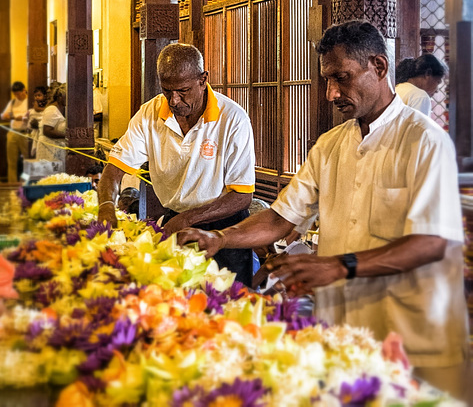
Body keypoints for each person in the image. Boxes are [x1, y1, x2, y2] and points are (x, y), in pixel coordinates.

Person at [178, 21, 468, 399]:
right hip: (345, 333)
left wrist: (338, 264)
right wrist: (220, 237)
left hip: (411, 336)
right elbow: (281, 218)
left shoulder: (425, 142)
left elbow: (431, 243)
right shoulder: (331, 146)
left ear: (378, 67)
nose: (331, 93)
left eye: (341, 78)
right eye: (327, 81)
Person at [98, 43, 256, 286]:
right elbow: (115, 168)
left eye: (183, 90)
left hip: (224, 229)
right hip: (176, 221)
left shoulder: (233, 119)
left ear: (203, 80)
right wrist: (106, 205)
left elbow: (242, 196)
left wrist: (189, 219)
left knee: (229, 302)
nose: (174, 100)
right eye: (166, 90)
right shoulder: (149, 114)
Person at [1, 81, 29, 183]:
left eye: (19, 93)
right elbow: (4, 115)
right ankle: (11, 184)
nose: (17, 96)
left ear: (24, 90)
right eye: (15, 94)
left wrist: (17, 117)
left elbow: (27, 117)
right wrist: (11, 116)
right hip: (12, 132)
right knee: (11, 161)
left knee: (27, 160)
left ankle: (25, 183)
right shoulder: (12, 102)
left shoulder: (29, 102)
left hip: (25, 133)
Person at [36, 84, 67, 171]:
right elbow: (47, 130)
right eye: (67, 96)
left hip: (57, 148)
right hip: (49, 148)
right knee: (49, 174)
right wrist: (66, 135)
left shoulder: (63, 108)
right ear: (60, 96)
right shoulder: (52, 109)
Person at [25, 86, 48, 158]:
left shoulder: (47, 102)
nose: (37, 97)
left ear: (45, 96)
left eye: (39, 95)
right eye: (35, 96)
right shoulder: (36, 102)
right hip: (36, 121)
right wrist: (46, 110)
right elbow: (36, 109)